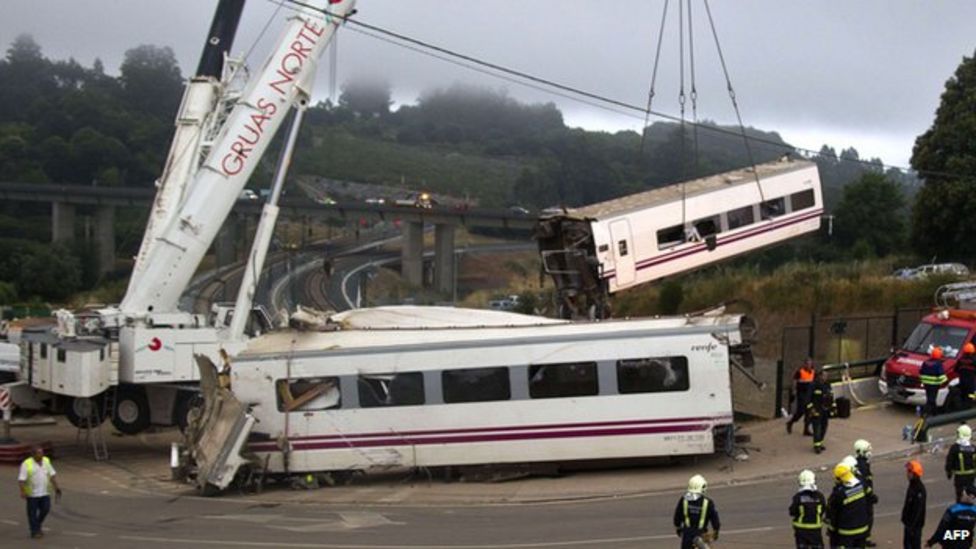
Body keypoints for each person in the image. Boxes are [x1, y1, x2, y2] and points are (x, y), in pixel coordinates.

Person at [17, 445, 61, 539]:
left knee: (45, 509)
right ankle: (35, 531)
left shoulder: (46, 461)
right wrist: (22, 491)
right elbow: (21, 480)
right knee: (32, 513)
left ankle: (37, 524)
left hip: (44, 492)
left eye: (42, 452)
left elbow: (52, 475)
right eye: (39, 453)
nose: (41, 454)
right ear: (33, 454)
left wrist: (56, 487)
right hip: (32, 494)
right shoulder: (26, 464)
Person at [826, 461, 870, 548]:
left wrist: (831, 531)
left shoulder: (839, 494)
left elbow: (833, 514)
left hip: (846, 532)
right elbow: (870, 499)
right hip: (863, 529)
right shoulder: (861, 484)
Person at [673, 474, 720, 548]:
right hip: (701, 535)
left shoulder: (684, 500)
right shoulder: (707, 502)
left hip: (687, 535)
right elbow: (715, 520)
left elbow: (677, 517)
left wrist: (678, 528)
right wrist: (716, 532)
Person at [789, 469, 825, 548]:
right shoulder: (820, 496)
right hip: (816, 529)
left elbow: (792, 511)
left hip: (801, 530)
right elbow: (823, 510)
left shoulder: (798, 497)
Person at [854, 440, 879, 546]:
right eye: (867, 450)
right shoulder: (862, 465)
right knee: (867, 518)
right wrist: (871, 496)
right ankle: (865, 539)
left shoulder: (861, 463)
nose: (870, 452)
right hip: (865, 497)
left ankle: (864, 538)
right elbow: (864, 483)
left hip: (863, 496)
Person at [807, 370, 835, 454]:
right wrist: (811, 409)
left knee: (824, 427)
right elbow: (808, 398)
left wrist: (833, 408)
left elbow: (831, 396)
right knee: (817, 428)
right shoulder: (813, 385)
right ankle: (817, 446)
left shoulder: (828, 385)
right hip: (816, 410)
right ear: (819, 376)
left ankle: (820, 442)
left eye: (826, 376)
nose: (825, 377)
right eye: (824, 376)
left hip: (825, 410)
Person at [946, 424, 976, 502]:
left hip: (959, 477)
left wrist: (949, 472)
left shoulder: (955, 448)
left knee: (959, 495)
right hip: (971, 476)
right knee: (970, 494)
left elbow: (949, 461)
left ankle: (960, 510)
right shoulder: (973, 448)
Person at [788, 358, 817, 435]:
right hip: (801, 394)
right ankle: (790, 422)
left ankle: (806, 430)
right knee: (800, 411)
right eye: (807, 364)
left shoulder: (813, 372)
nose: (809, 365)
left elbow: (815, 382)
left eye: (810, 364)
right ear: (804, 364)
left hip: (809, 394)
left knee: (809, 412)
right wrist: (793, 392)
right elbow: (794, 382)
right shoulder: (800, 372)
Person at [903, 460, 927, 549]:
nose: (907, 474)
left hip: (914, 526)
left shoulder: (919, 489)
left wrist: (912, 527)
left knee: (914, 545)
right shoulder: (912, 485)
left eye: (909, 471)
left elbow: (918, 510)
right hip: (909, 524)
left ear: (915, 474)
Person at [921, 347, 947, 417]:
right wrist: (946, 383)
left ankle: (934, 413)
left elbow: (921, 372)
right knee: (932, 399)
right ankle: (925, 413)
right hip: (934, 384)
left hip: (926, 384)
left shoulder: (925, 362)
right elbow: (941, 374)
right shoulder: (938, 364)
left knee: (929, 398)